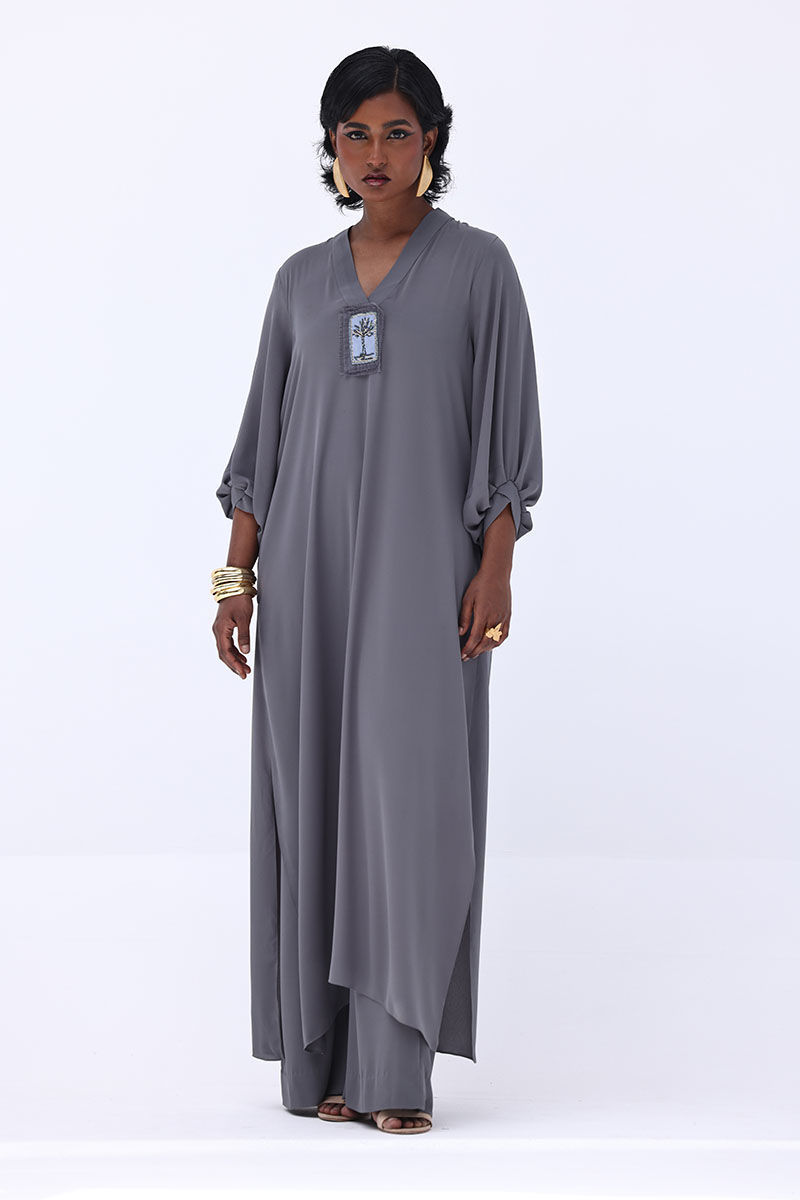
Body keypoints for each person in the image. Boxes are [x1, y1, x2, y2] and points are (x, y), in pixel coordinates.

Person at [211, 45, 543, 1136]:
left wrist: (496, 564)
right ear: (331, 147)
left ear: (432, 139)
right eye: (354, 134)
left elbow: (504, 431)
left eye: (397, 131)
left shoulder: (478, 267)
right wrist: (236, 579)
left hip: (421, 580)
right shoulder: (298, 282)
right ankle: (321, 1066)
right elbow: (262, 445)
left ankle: (395, 1068)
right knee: (310, 801)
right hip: (305, 585)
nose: (375, 154)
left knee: (409, 807)